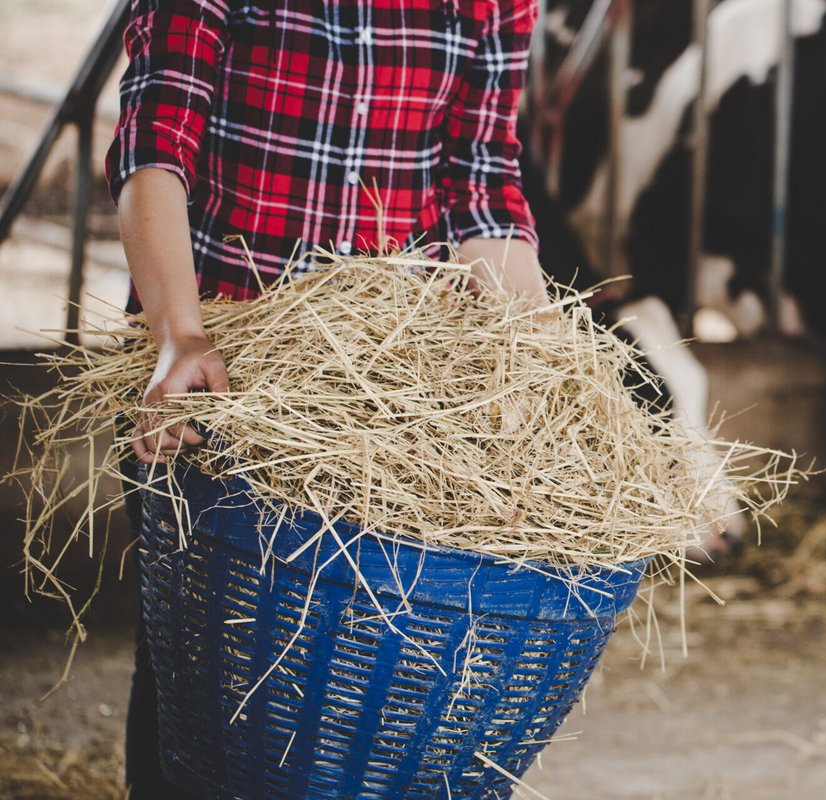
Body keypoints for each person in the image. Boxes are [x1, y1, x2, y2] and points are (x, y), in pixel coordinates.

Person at [106, 1, 548, 795]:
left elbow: (482, 188)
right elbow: (154, 143)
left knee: (372, 683)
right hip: (217, 375)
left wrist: (543, 364)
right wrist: (179, 331)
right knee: (199, 673)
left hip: (386, 401)